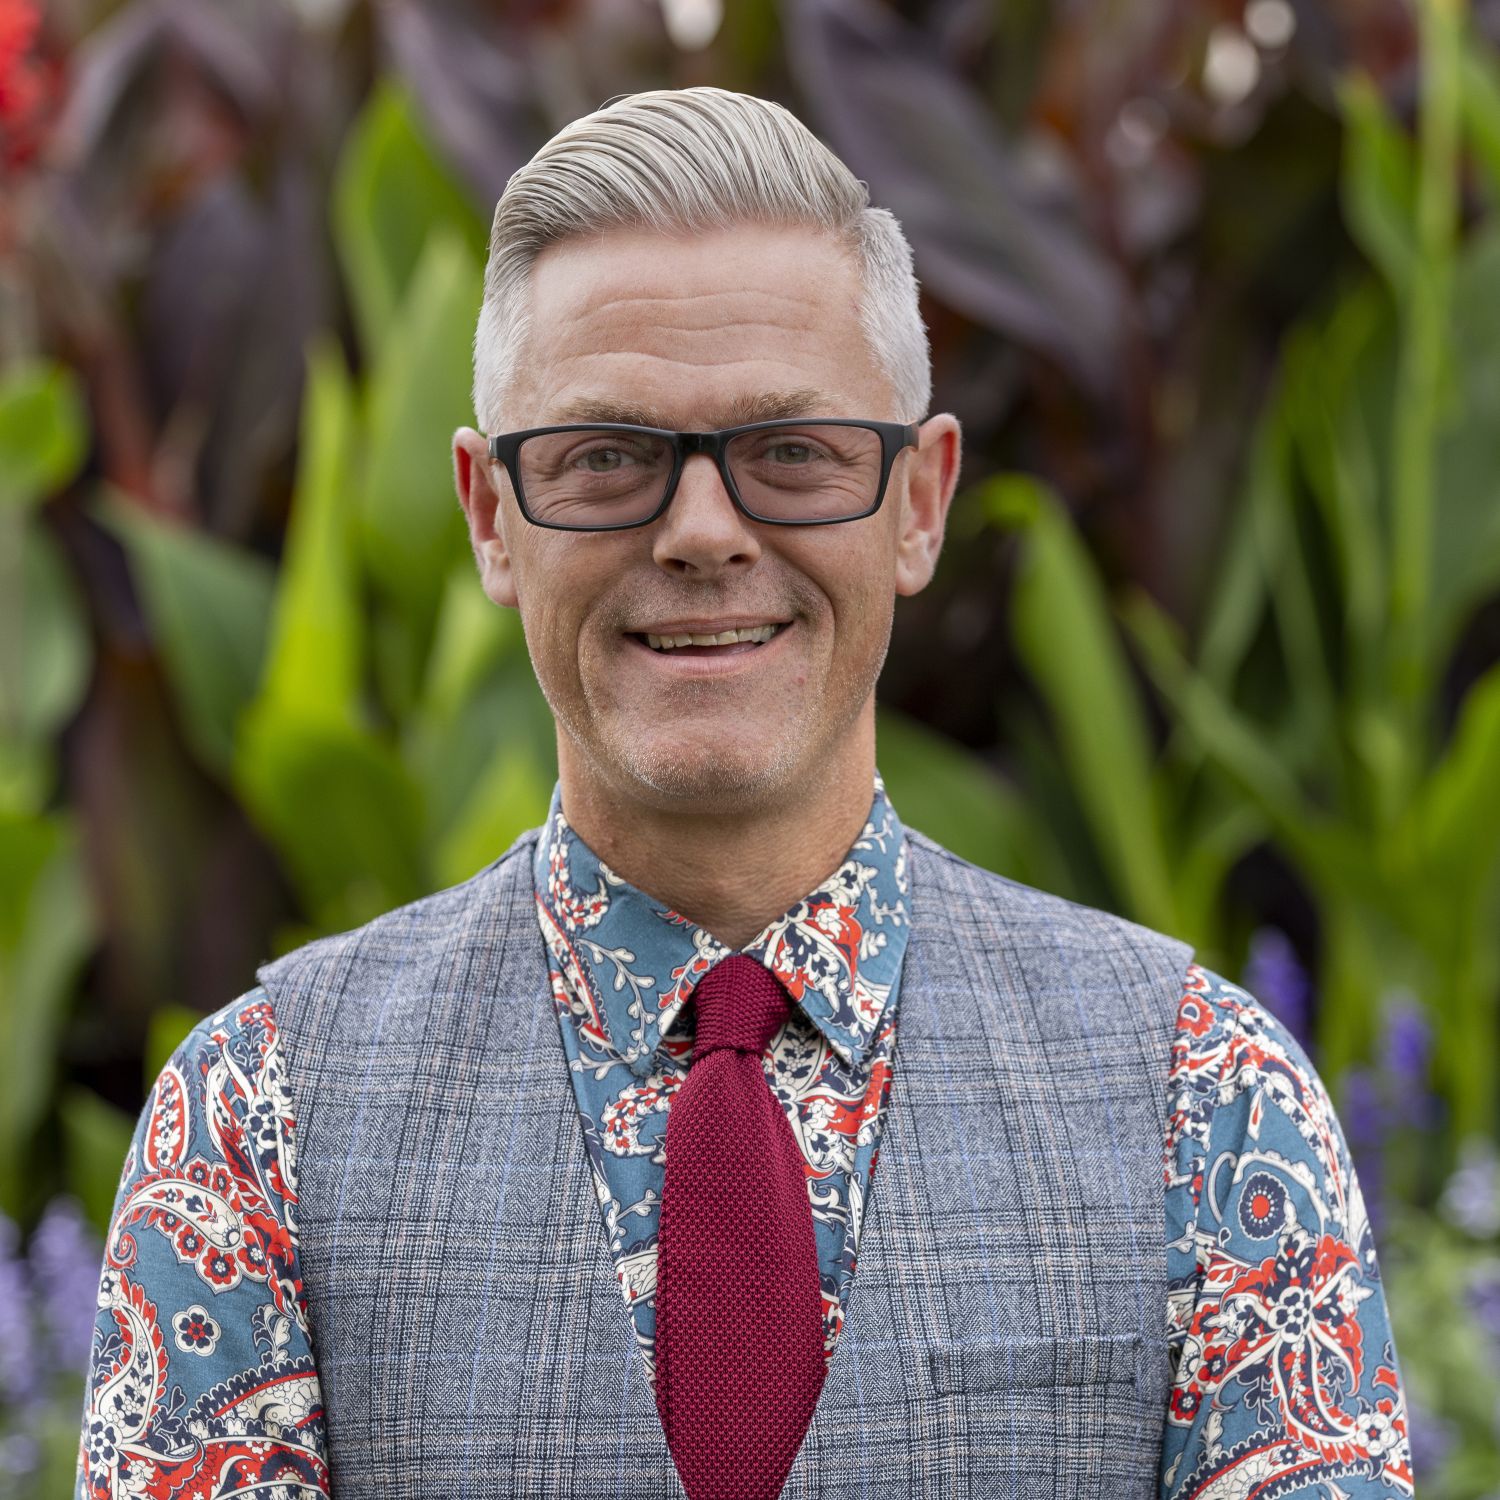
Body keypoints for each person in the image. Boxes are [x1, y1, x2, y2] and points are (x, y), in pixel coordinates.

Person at [76, 87, 1413, 1499]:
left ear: (917, 501)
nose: (704, 532)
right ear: (488, 516)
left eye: (792, 453)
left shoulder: (1208, 1096)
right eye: (606, 459)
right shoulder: (253, 1123)